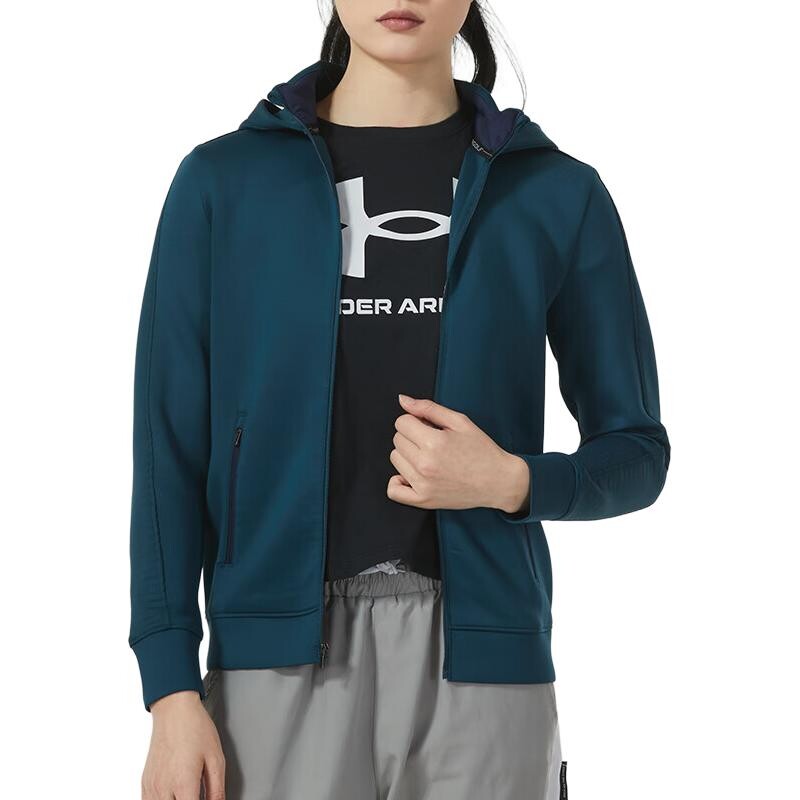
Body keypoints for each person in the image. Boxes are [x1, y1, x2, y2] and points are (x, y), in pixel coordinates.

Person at [129, 1, 671, 798]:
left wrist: (509, 481)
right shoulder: (224, 183)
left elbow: (637, 454)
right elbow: (167, 451)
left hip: (486, 661)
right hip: (275, 660)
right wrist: (170, 688)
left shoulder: (555, 192)